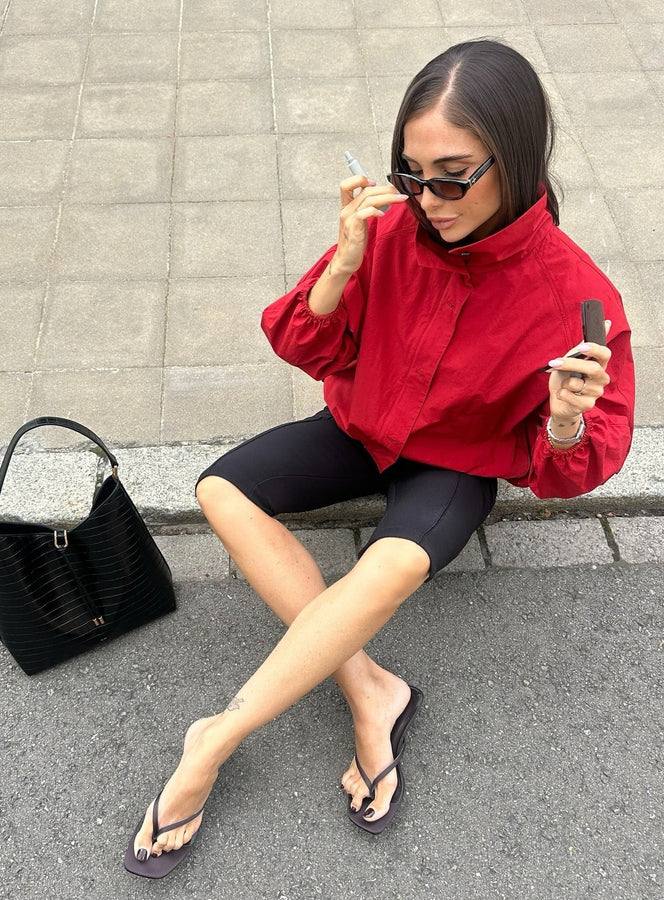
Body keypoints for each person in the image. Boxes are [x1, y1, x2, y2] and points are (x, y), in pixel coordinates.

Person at [124, 39, 635, 878]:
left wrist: (568, 421)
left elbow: (567, 471)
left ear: (517, 157)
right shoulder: (392, 229)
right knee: (220, 489)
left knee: (389, 568)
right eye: (412, 173)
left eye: (452, 175)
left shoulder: (575, 297)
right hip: (366, 428)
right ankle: (369, 689)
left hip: (455, 463)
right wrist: (344, 266)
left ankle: (214, 741)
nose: (428, 198)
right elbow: (302, 341)